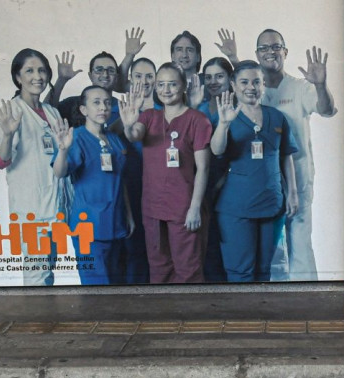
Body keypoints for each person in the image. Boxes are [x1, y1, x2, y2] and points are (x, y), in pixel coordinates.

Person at [218, 28, 337, 280]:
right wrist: (233, 58)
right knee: (269, 254)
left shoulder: (300, 87)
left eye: (276, 47)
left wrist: (321, 85)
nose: (270, 52)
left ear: (285, 51)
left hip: (296, 177)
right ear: (257, 54)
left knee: (300, 244)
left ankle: (305, 304)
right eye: (263, 48)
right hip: (262, 183)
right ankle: (272, 307)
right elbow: (245, 78)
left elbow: (326, 109)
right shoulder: (253, 88)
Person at [120, 63, 211, 283]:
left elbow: (204, 168)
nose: (166, 89)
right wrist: (128, 125)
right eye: (161, 84)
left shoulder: (197, 120)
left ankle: (189, 317)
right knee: (159, 268)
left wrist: (195, 208)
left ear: (183, 86)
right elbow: (135, 135)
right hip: (153, 208)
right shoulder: (149, 116)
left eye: (172, 84)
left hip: (184, 208)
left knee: (187, 270)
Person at [211, 60, 299, 282]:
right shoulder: (225, 116)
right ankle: (241, 316)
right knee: (241, 271)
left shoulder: (277, 117)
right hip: (236, 208)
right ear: (233, 84)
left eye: (256, 82)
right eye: (244, 82)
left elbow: (285, 155)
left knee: (263, 270)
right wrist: (223, 124)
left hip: (271, 204)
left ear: (263, 85)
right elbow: (216, 150)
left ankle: (260, 315)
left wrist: (292, 193)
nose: (251, 87)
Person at [0, 48, 69, 286]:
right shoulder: (13, 110)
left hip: (54, 208)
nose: (38, 76)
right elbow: (1, 161)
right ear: (17, 77)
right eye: (30, 70)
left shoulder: (51, 112)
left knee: (48, 271)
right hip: (31, 212)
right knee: (37, 277)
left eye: (42, 70)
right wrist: (8, 134)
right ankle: (36, 324)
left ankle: (46, 323)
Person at [50, 86, 133, 285]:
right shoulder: (76, 138)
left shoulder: (114, 139)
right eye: (96, 102)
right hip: (89, 226)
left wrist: (128, 215)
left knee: (115, 285)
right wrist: (62, 150)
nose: (103, 107)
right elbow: (60, 172)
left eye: (106, 102)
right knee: (96, 288)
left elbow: (120, 181)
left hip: (115, 222)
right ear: (84, 110)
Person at [191, 57, 234, 282]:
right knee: (204, 243)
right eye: (208, 77)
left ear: (230, 78)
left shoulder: (237, 108)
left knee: (227, 242)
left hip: (229, 184)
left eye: (219, 76)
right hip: (201, 183)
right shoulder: (198, 107)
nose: (213, 81)